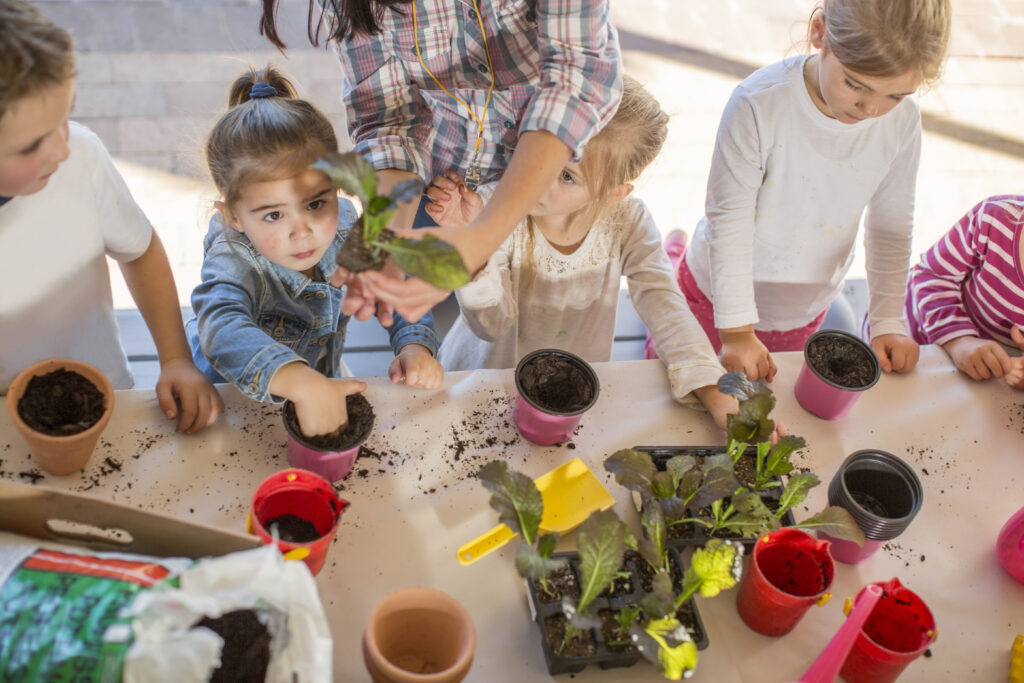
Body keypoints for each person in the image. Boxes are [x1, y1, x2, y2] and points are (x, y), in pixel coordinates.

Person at [258, 0, 623, 324]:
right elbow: (388, 117)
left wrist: (479, 239)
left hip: (551, 173)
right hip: (432, 185)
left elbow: (573, 80)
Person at [647, 0, 951, 382]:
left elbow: (891, 225)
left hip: (805, 311)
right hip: (716, 300)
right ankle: (673, 261)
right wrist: (737, 332)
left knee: (758, 400)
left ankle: (673, 252)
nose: (871, 108)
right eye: (855, 84)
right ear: (819, 32)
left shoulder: (902, 123)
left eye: (896, 95)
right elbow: (729, 221)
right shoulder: (757, 103)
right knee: (673, 377)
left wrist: (889, 319)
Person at [426, 76, 738, 430]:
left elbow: (664, 303)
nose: (538, 178)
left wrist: (713, 391)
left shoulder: (629, 222)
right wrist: (472, 244)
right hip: (485, 381)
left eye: (567, 176)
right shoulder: (496, 205)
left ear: (613, 194)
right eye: (538, 153)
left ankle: (673, 246)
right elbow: (491, 326)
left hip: (566, 389)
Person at [0, 0, 222, 433]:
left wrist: (175, 356)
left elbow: (138, 249)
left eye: (65, 119)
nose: (61, 149)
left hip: (105, 399)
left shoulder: (80, 156)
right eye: (32, 146)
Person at [186, 66, 443, 437]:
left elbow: (395, 284)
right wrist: (301, 383)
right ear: (233, 217)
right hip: (230, 399)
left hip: (321, 378)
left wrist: (415, 344)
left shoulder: (347, 227)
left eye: (314, 205)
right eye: (274, 214)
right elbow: (221, 329)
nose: (301, 231)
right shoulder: (233, 259)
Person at [906, 195, 1024, 388]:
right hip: (917, 338)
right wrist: (960, 342)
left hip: (983, 384)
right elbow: (932, 274)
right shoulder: (995, 218)